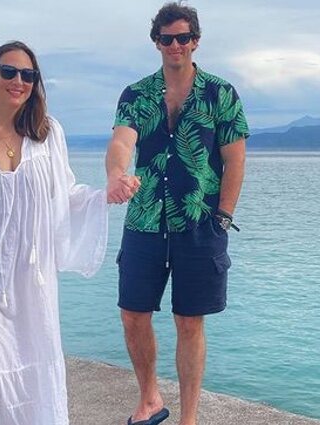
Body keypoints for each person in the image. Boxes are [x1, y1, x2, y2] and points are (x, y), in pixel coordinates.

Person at [0, 41, 137, 425]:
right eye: (9, 71)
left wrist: (104, 194)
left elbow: (63, 196)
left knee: (36, 383)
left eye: (28, 75)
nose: (18, 81)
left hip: (35, 284)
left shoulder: (48, 134)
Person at [105, 3, 249, 424]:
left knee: (189, 322)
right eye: (166, 38)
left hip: (199, 223)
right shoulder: (136, 95)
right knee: (133, 314)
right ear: (156, 42)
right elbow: (122, 141)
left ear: (195, 41)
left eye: (183, 38)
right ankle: (150, 398)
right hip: (145, 220)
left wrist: (223, 217)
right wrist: (116, 174)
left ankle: (189, 418)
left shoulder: (220, 94)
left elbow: (235, 161)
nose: (175, 45)